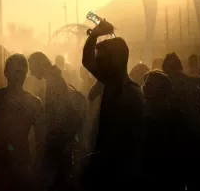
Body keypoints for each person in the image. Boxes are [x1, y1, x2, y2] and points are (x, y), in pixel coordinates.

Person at [81, 20, 144, 190]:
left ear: (115, 61)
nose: (97, 64)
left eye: (102, 59)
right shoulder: (114, 86)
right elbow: (87, 61)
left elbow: (121, 147)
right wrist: (94, 35)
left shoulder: (130, 96)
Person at [0, 54, 43, 191]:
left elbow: (41, 139)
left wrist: (37, 165)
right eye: (16, 71)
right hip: (0, 161)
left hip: (22, 162)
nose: (19, 76)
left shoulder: (35, 102)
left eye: (22, 72)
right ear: (6, 72)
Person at [28, 52, 76, 191]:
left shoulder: (53, 81)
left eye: (32, 67)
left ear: (40, 64)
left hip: (57, 140)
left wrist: (49, 140)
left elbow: (59, 113)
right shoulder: (54, 78)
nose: (31, 72)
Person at [143, 70, 189, 191]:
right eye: (145, 84)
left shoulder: (175, 120)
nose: (144, 87)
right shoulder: (142, 116)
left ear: (161, 90)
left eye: (149, 84)